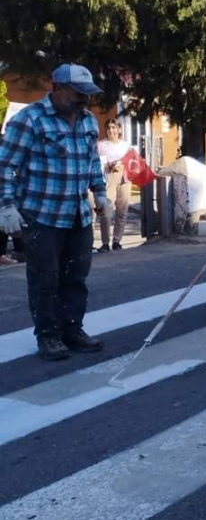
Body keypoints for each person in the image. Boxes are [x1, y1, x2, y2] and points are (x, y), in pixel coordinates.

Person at [0, 63, 113, 360]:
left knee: (76, 277)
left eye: (87, 94)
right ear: (57, 88)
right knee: (45, 279)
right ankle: (49, 336)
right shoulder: (29, 121)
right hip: (42, 216)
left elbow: (91, 162)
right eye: (77, 93)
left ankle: (72, 329)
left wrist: (100, 192)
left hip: (79, 214)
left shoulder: (88, 121)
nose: (84, 100)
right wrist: (7, 206)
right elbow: (5, 166)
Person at [95, 118, 134, 253]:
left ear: (119, 130)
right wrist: (107, 165)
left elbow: (133, 163)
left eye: (114, 127)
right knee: (106, 209)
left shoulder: (126, 145)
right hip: (108, 177)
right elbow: (95, 162)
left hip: (125, 177)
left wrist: (123, 165)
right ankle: (105, 242)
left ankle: (117, 241)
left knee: (122, 211)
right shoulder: (100, 145)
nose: (111, 130)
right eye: (109, 128)